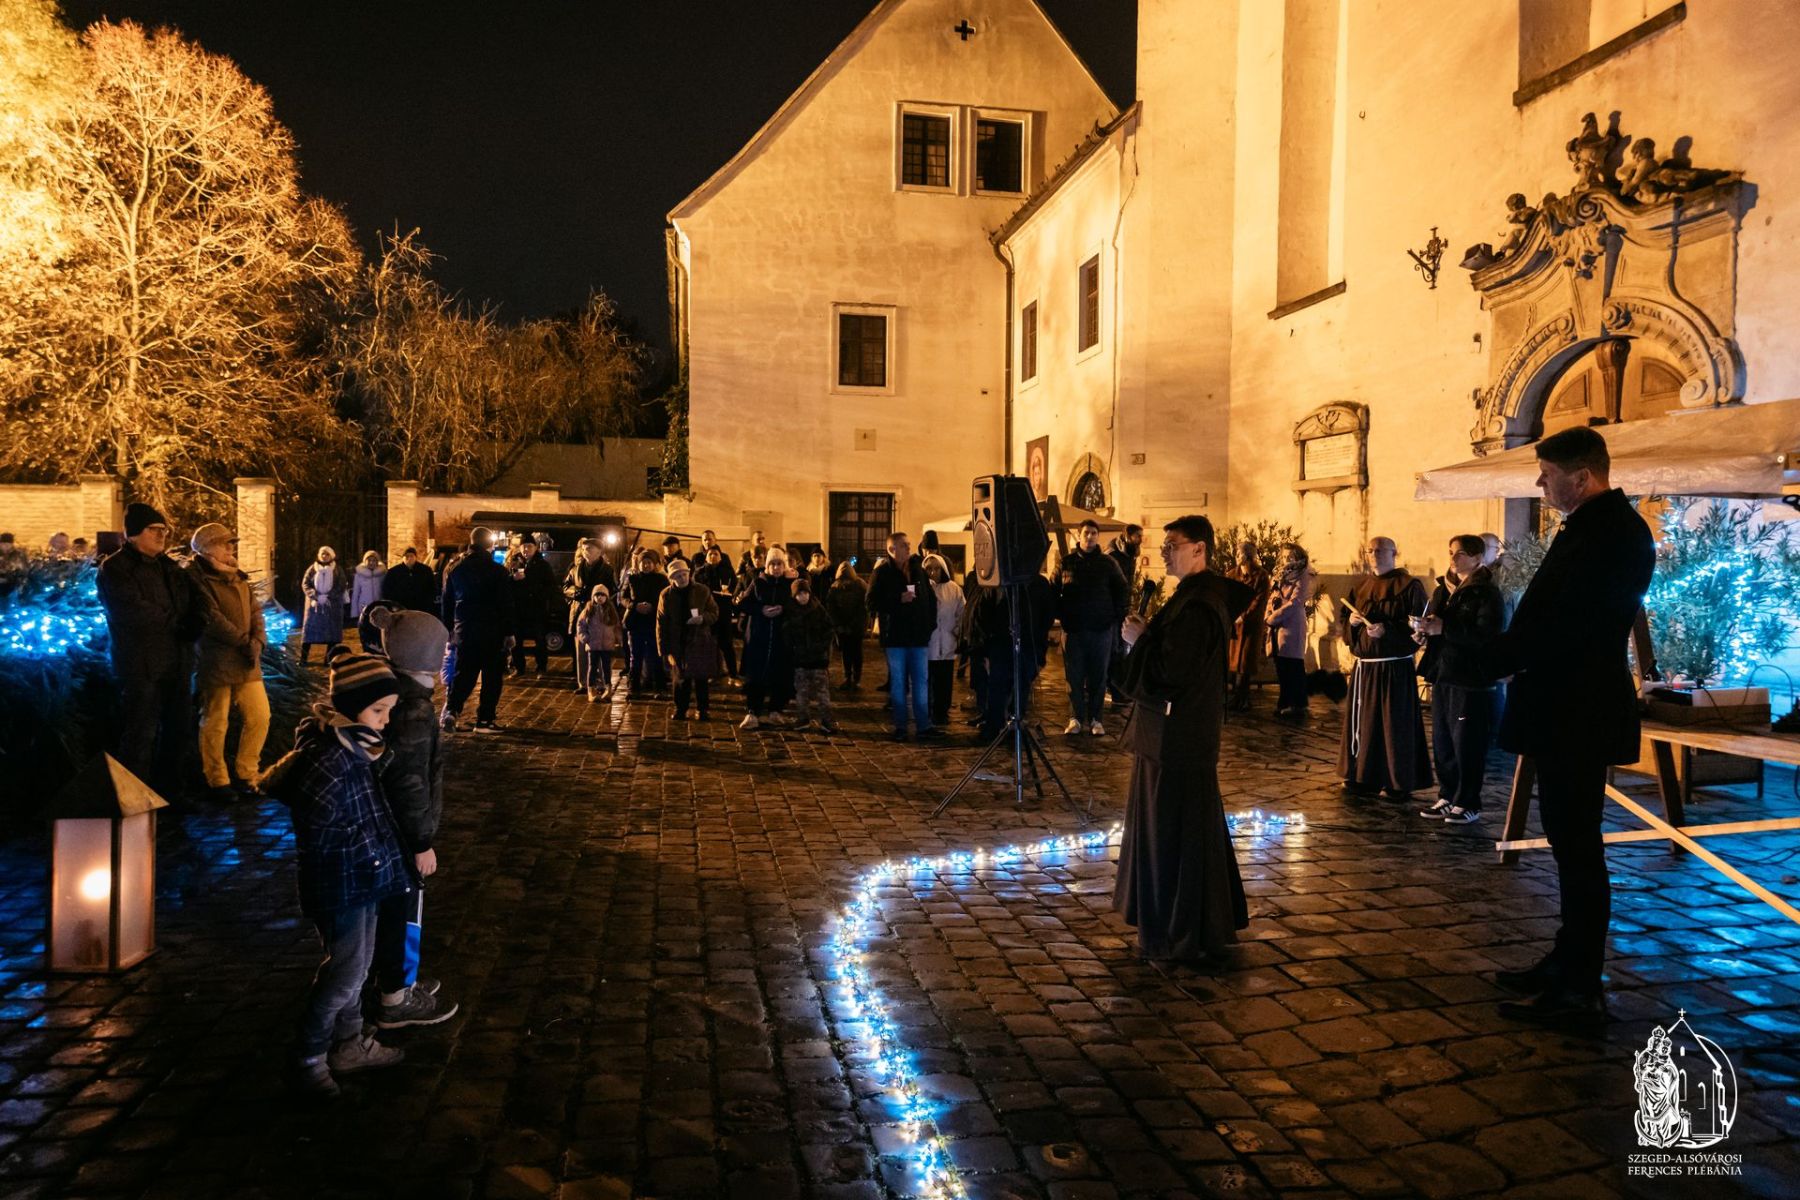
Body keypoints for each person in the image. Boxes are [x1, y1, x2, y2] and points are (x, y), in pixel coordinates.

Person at [1484, 427, 1654, 1026]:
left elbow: (1569, 624)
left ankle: (1580, 985)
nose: (1540, 482)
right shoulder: (1593, 527)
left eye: (1548, 473)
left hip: (1577, 710)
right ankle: (1566, 960)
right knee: (1568, 841)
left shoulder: (1611, 533)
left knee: (1578, 847)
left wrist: (1496, 657)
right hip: (1565, 706)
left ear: (1581, 477)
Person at [263, 648, 412, 1098]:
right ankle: (307, 1056)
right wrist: (369, 852)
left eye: (389, 710)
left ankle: (349, 1044)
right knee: (344, 973)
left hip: (362, 878)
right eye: (378, 710)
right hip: (341, 883)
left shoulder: (355, 747)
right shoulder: (331, 757)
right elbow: (320, 827)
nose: (385, 720)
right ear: (352, 707)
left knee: (358, 966)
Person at [1114, 515, 1249, 962]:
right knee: (1170, 829)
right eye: (1165, 545)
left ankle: (1179, 928)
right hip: (1167, 738)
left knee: (1176, 834)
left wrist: (1141, 640)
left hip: (1179, 740)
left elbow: (1173, 672)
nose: (1165, 552)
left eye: (1172, 544)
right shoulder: (1189, 598)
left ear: (1199, 549)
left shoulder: (1200, 606)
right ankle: (1171, 924)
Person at [363, 607, 459, 1033]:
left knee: (393, 910)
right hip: (401, 835)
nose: (445, 655)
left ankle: (393, 981)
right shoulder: (414, 710)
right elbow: (410, 783)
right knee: (405, 912)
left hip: (387, 830)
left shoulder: (397, 694)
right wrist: (421, 842)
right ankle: (396, 996)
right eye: (440, 649)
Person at [96, 503, 203, 795]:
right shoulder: (116, 568)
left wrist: (197, 620)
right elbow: (132, 611)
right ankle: (134, 798)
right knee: (140, 735)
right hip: (140, 665)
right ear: (133, 534)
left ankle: (172, 793)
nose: (161, 535)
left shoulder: (169, 567)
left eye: (163, 530)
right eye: (153, 529)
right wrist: (178, 623)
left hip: (177, 662)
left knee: (178, 732)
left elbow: (194, 600)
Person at [1415, 535, 1505, 824]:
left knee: (1466, 742)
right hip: (1443, 673)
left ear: (1478, 557)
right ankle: (1447, 795)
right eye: (1451, 552)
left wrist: (1445, 628)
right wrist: (1423, 631)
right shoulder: (1444, 590)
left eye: (1461, 553)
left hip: (1470, 678)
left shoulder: (1486, 594)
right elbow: (1436, 623)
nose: (1453, 558)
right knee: (1442, 740)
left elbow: (1486, 636)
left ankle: (1468, 802)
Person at [1339, 537, 1432, 797]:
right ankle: (1363, 777)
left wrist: (1387, 631)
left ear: (1394, 553)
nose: (1373, 554)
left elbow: (1418, 625)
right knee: (1365, 724)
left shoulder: (1410, 586)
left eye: (1380, 550)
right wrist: (1353, 623)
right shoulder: (1361, 586)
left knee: (1394, 726)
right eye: (1370, 550)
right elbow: (1345, 623)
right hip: (1365, 669)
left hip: (1394, 669)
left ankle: (1396, 782)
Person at [186, 523, 269, 802]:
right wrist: (243, 641)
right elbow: (211, 617)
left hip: (247, 659)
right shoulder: (197, 578)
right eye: (225, 543)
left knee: (260, 716)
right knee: (215, 721)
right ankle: (217, 779)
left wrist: (257, 641)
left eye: (232, 543)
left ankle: (247, 773)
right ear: (207, 548)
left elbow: (256, 611)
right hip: (216, 659)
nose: (231, 548)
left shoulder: (238, 576)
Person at [1054, 519, 1128, 736]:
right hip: (1074, 630)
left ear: (1098, 536)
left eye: (1094, 533)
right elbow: (1053, 589)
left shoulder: (1108, 564)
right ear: (1079, 535)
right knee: (1074, 677)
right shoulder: (1066, 563)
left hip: (1101, 629)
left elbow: (1122, 589)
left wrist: (1114, 616)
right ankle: (1075, 718)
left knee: (1098, 676)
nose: (1090, 536)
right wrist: (1061, 613)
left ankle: (1096, 719)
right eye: (1086, 532)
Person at [440, 527, 515, 734]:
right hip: (492, 630)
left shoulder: (454, 569)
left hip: (465, 629)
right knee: (492, 677)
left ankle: (452, 710)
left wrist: (449, 629)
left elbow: (447, 602)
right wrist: (509, 632)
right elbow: (506, 604)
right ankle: (485, 720)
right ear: (490, 544)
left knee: (464, 673)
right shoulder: (498, 571)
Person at [868, 531, 939, 741]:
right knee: (899, 683)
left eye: (908, 544)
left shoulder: (918, 570)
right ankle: (900, 726)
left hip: (918, 637)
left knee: (921, 682)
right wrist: (897, 599)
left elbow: (931, 600)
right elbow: (871, 602)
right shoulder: (882, 573)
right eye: (904, 545)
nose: (909, 548)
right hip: (895, 638)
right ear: (892, 549)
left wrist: (929, 626)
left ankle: (923, 725)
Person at [738, 547, 796, 729]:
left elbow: (798, 603)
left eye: (779, 564)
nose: (776, 568)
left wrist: (783, 609)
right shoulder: (758, 582)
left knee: (780, 674)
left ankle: (775, 710)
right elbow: (743, 603)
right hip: (758, 636)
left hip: (781, 637)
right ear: (767, 566)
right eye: (773, 564)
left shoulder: (789, 584)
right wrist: (761, 609)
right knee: (756, 675)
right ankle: (752, 712)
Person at [658, 558, 720, 720]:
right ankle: (681, 708)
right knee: (680, 679)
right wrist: (663, 649)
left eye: (684, 574)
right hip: (677, 641)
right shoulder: (666, 595)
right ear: (672, 578)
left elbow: (714, 612)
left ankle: (702, 709)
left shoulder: (702, 590)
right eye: (678, 576)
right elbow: (661, 622)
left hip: (699, 639)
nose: (682, 578)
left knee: (701, 677)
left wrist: (703, 618)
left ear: (689, 573)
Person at [564, 538, 619, 693]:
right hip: (580, 612)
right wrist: (575, 592)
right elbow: (566, 586)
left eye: (589, 548)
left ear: (599, 551)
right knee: (582, 650)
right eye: (583, 549)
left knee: (599, 651)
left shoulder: (607, 570)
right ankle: (584, 683)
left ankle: (600, 682)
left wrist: (600, 597)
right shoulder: (575, 569)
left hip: (599, 613)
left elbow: (614, 589)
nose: (585, 551)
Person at [787, 574, 840, 733]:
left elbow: (829, 629)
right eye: (799, 594)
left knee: (822, 692)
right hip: (800, 659)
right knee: (802, 692)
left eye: (805, 593)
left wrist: (822, 647)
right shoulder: (791, 612)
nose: (803, 596)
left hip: (818, 659)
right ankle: (803, 718)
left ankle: (826, 720)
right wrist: (793, 648)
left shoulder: (818, 609)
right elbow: (786, 633)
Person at [1265, 544, 1311, 718]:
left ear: (1298, 557)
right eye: (1284, 556)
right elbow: (1272, 596)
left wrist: (1273, 617)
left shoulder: (1303, 575)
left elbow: (1295, 602)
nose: (1286, 560)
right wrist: (1268, 614)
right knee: (1281, 664)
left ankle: (1297, 704)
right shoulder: (1279, 575)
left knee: (1293, 665)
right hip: (1277, 625)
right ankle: (1284, 702)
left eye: (1290, 557)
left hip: (1291, 625)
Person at [923, 554, 964, 729]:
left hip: (947, 643)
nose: (933, 572)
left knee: (945, 681)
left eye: (936, 568)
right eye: (929, 569)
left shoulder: (953, 589)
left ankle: (942, 712)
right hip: (928, 644)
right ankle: (928, 711)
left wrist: (958, 630)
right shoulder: (921, 588)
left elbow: (961, 611)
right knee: (928, 680)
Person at [505, 536, 557, 675]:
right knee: (517, 639)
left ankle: (541, 667)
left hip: (536, 609)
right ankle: (519, 667)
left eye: (529, 546)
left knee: (539, 639)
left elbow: (550, 586)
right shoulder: (514, 563)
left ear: (535, 548)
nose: (526, 549)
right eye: (524, 546)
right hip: (517, 608)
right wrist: (512, 578)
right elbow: (505, 583)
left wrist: (531, 585)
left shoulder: (543, 565)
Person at [622, 548, 670, 696]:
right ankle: (634, 687)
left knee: (656, 656)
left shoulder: (661, 580)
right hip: (636, 621)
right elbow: (623, 597)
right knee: (635, 656)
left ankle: (659, 687)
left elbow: (666, 598)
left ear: (655, 564)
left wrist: (653, 607)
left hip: (653, 622)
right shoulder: (632, 578)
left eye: (649, 562)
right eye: (643, 562)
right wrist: (634, 606)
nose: (646, 565)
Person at [695, 545, 740, 680]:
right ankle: (711, 672)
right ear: (706, 557)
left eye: (716, 554)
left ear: (720, 556)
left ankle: (733, 673)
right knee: (708, 644)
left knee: (726, 643)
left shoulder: (728, 571)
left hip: (723, 611)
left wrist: (731, 595)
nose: (713, 556)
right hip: (706, 612)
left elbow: (735, 588)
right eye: (710, 554)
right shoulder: (699, 573)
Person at [300, 546, 349, 663]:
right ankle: (303, 659)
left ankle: (328, 659)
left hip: (332, 606)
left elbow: (341, 585)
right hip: (315, 606)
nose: (324, 556)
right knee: (309, 633)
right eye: (322, 554)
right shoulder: (312, 568)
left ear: (331, 556)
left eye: (327, 554)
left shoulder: (337, 569)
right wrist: (315, 595)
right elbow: (305, 584)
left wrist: (329, 596)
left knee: (332, 634)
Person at [577, 583, 624, 701]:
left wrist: (619, 639)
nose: (599, 598)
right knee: (592, 667)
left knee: (606, 667)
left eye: (602, 595)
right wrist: (585, 638)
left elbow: (616, 626)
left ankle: (608, 688)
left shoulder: (610, 610)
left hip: (607, 645)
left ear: (606, 597)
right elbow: (581, 625)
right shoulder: (588, 610)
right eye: (597, 595)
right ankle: (591, 690)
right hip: (593, 645)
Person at [380, 547, 437, 613]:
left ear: (415, 557)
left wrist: (428, 602)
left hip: (421, 608)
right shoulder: (393, 572)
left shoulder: (425, 571)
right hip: (400, 608)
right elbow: (387, 590)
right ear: (403, 558)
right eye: (407, 556)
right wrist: (393, 605)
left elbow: (432, 587)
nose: (409, 558)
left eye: (411, 556)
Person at [350, 551, 386, 621]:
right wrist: (354, 613)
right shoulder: (359, 575)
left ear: (377, 562)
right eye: (369, 560)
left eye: (374, 560)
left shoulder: (382, 574)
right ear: (365, 561)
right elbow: (355, 594)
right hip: (364, 607)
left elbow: (385, 590)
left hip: (379, 606)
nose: (371, 562)